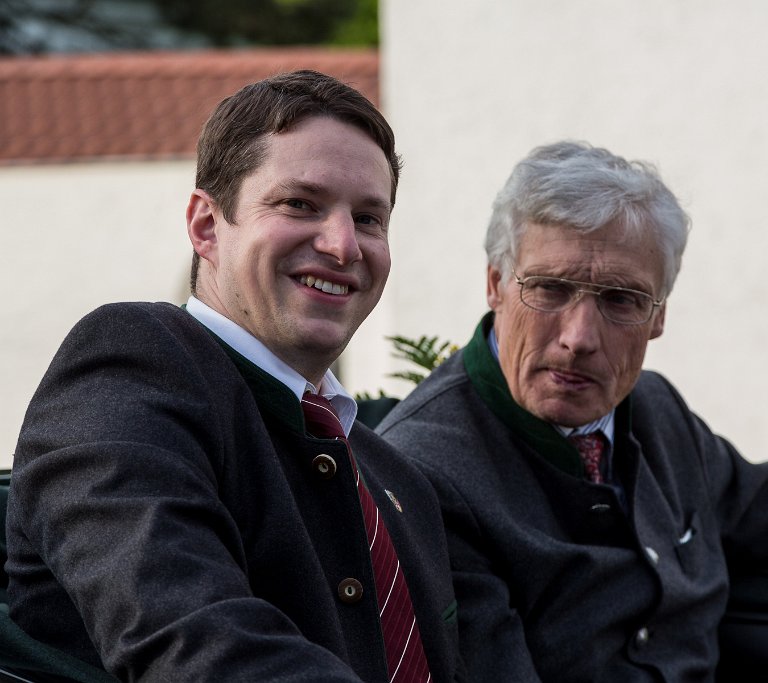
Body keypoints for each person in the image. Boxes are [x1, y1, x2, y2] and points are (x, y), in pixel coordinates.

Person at [376, 141, 768, 682]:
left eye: (621, 299)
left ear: (659, 317)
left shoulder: (654, 411)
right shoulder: (424, 471)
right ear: (495, 284)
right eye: (550, 288)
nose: (579, 337)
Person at [6, 70, 460, 682]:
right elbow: (191, 639)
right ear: (205, 226)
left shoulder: (398, 482)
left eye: (369, 218)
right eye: (299, 204)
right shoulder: (133, 364)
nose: (344, 245)